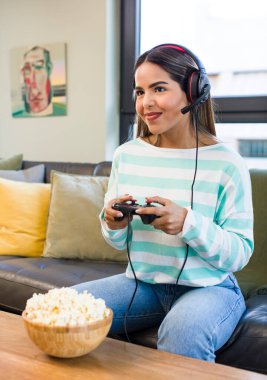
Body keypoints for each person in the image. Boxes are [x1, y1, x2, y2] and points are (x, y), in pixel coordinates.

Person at [73, 43, 254, 362]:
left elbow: (239, 253)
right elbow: (117, 243)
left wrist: (188, 223)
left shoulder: (227, 163)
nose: (146, 103)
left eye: (159, 88)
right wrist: (113, 223)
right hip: (142, 284)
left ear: (194, 90)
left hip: (210, 288)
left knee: (183, 333)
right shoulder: (127, 155)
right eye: (140, 92)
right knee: (67, 308)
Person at [12, 46, 66, 117]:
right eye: (27, 69)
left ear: (49, 68)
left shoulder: (63, 110)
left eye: (39, 66)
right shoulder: (16, 115)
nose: (34, 91)